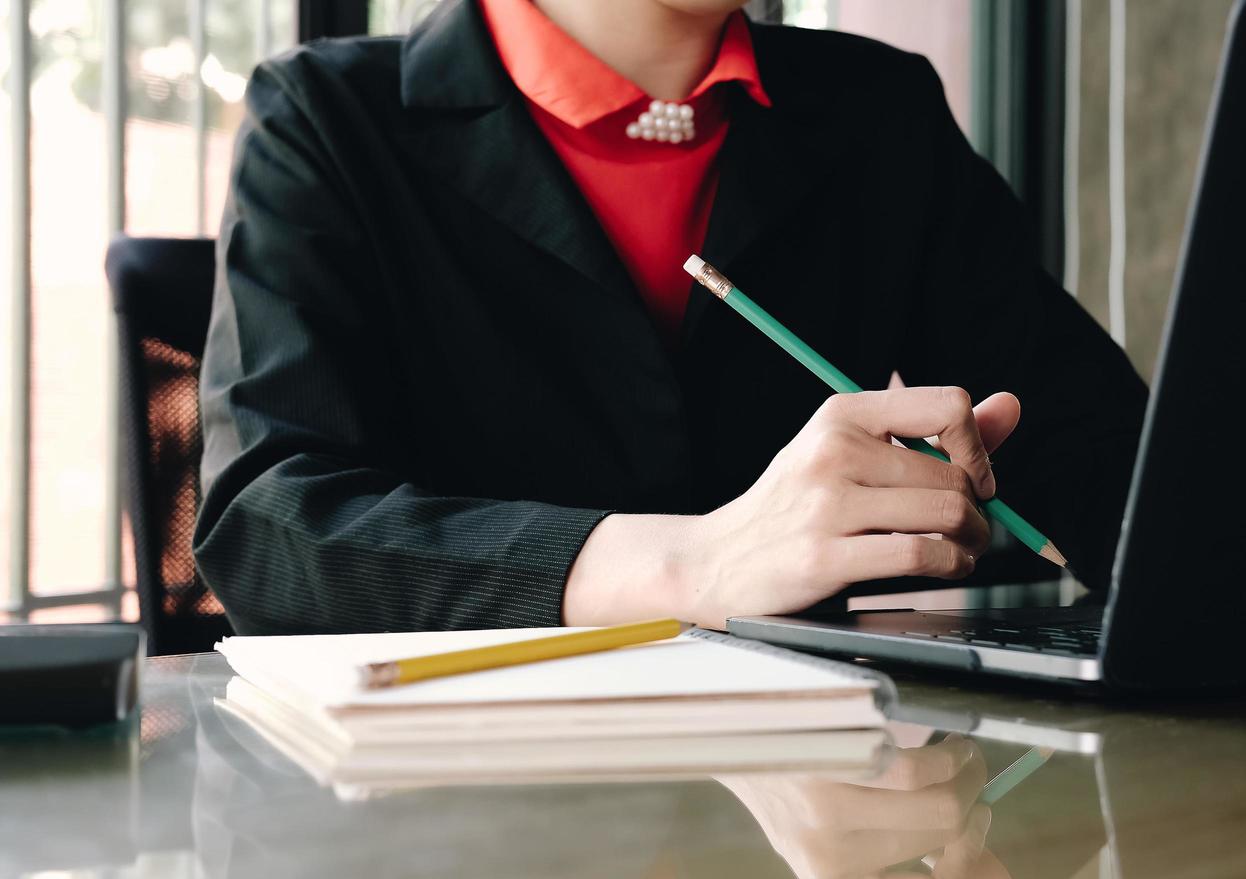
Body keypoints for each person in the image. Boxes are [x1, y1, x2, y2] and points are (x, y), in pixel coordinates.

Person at [195, 0, 1147, 634]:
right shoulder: (324, 117)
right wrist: (689, 565)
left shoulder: (875, 110)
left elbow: (1099, 452)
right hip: (456, 836)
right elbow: (267, 524)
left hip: (804, 815)